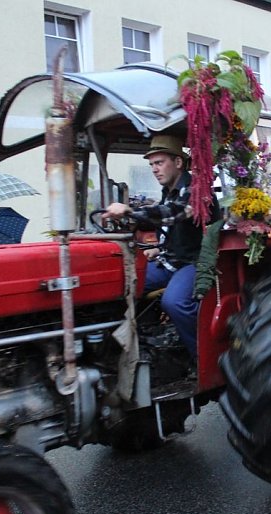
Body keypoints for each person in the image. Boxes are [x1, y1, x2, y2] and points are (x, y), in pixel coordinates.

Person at [102, 134, 218, 360]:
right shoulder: (168, 192)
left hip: (195, 262)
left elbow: (174, 214)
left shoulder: (197, 191)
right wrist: (158, 248)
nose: (154, 169)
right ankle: (131, 347)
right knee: (122, 284)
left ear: (178, 162)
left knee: (175, 302)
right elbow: (172, 228)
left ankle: (205, 357)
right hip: (170, 261)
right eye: (152, 164)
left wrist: (130, 210)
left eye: (159, 162)